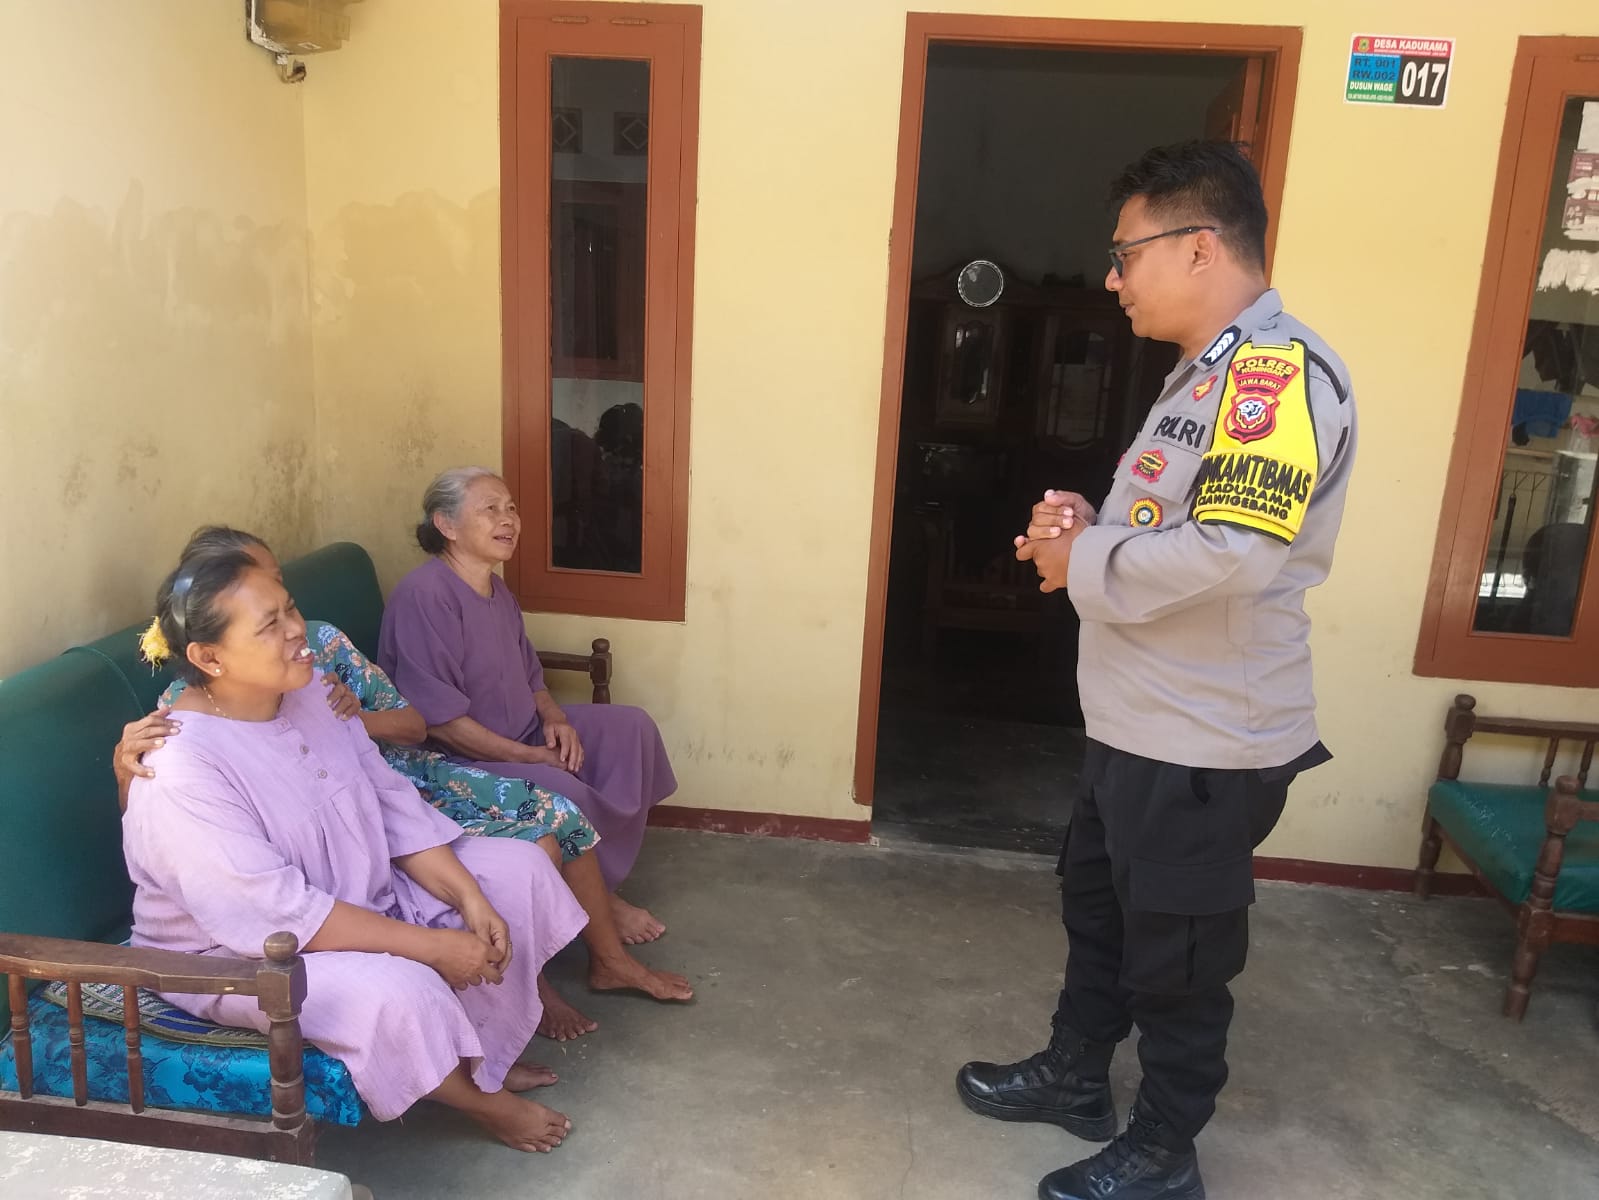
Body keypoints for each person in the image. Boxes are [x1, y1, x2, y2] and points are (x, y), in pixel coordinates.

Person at [956, 142, 1357, 1200]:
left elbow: (1232, 556)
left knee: (1178, 962)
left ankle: (1165, 1150)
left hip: (1204, 741)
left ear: (1200, 247)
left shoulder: (1272, 376)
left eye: (1126, 254)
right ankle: (1076, 1076)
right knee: (1099, 915)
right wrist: (1088, 524)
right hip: (1137, 722)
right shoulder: (1204, 371)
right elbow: (1179, 526)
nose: (1112, 278)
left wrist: (1078, 561)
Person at [115, 527, 691, 1042]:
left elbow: (411, 729)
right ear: (209, 648)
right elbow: (169, 824)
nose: (288, 618)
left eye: (280, 588)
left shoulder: (316, 656)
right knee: (534, 835)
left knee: (542, 827)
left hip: (389, 776)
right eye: (261, 602)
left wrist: (345, 723)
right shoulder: (184, 723)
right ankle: (531, 994)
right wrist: (125, 772)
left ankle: (563, 971)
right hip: (311, 868)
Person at [123, 543, 589, 1150]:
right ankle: (483, 1102)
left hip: (354, 891)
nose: (297, 630)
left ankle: (484, 1059)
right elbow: (278, 914)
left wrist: (468, 898)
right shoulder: (183, 766)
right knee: (400, 989)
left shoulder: (314, 694)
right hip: (240, 955)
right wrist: (432, 946)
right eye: (270, 625)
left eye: (291, 609)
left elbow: (390, 804)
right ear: (209, 657)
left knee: (519, 869)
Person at [379, 468, 677, 948]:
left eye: (512, 508)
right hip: (456, 757)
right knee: (561, 785)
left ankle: (601, 882)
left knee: (631, 728)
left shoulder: (497, 590)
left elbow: (530, 674)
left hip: (523, 730)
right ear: (446, 525)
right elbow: (443, 722)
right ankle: (601, 902)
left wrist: (555, 719)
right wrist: (530, 757)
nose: (509, 520)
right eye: (490, 509)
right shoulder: (425, 596)